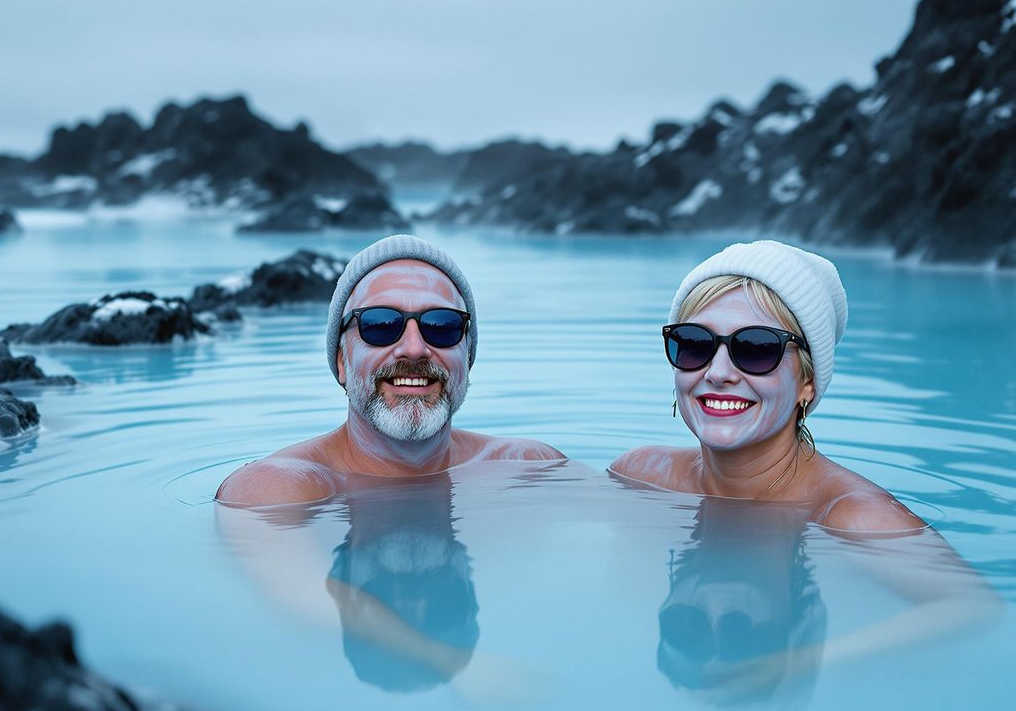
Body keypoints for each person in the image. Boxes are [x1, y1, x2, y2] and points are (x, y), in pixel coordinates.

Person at [217, 235, 564, 505]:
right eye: (380, 324)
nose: (414, 348)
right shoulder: (276, 489)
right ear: (341, 361)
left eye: (441, 326)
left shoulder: (530, 467)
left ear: (467, 358)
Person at [610, 240, 924, 532]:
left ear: (808, 382)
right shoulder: (638, 477)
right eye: (695, 344)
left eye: (756, 348)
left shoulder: (867, 523)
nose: (718, 373)